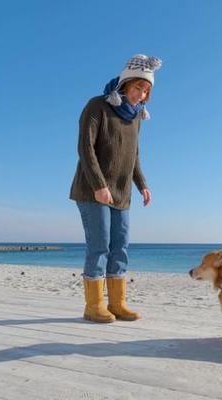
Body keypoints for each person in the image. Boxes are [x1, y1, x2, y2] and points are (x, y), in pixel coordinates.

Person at [69, 54, 161, 323]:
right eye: (137, 88)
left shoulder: (136, 118)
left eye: (146, 91)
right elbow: (85, 148)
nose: (141, 95)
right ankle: (94, 305)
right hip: (92, 190)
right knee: (99, 246)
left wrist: (142, 184)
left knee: (120, 246)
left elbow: (134, 155)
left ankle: (117, 303)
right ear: (124, 84)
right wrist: (99, 185)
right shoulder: (97, 106)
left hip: (122, 193)